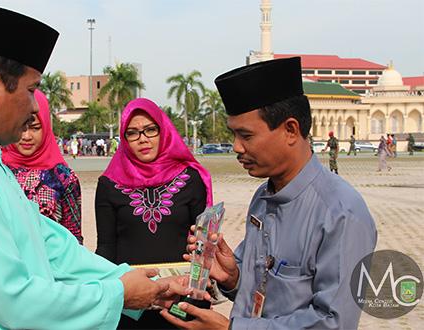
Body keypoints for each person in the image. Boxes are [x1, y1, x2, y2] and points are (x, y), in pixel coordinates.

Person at [0, 4, 184, 329]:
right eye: (31, 89)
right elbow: (16, 302)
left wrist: (131, 279)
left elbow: (51, 245)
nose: (35, 106)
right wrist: (117, 294)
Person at [161, 57, 377, 329]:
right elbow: (265, 296)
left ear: (290, 130)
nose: (237, 147)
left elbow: (334, 322)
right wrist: (232, 277)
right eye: (234, 135)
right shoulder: (263, 197)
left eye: (246, 136)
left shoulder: (341, 213)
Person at [96, 98, 213, 329]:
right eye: (132, 133)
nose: (143, 139)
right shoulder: (109, 184)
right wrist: (107, 295)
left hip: (182, 297)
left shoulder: (190, 179)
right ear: (124, 138)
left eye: (150, 130)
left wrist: (198, 293)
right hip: (132, 301)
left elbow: (202, 244)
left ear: (164, 131)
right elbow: (106, 247)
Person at [1, 90, 83, 243]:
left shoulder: (64, 178)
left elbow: (74, 239)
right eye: (21, 127)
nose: (27, 136)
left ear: (45, 127)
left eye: (35, 127)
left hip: (52, 265)